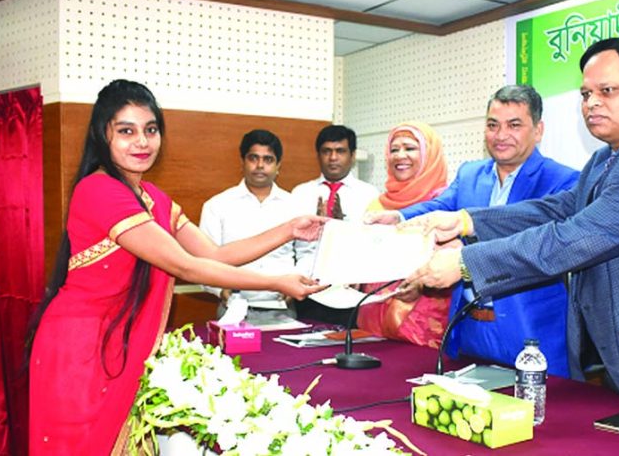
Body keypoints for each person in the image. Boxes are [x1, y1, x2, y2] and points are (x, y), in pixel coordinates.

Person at [404, 38, 619, 420]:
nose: (592, 103)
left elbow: (574, 237)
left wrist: (464, 262)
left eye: (608, 91)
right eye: (586, 93)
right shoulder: (609, 156)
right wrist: (466, 220)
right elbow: (558, 208)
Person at [25, 79, 326, 455]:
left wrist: (288, 229)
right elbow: (186, 267)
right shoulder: (97, 190)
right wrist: (278, 282)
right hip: (80, 351)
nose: (142, 142)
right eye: (126, 131)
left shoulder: (152, 198)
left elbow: (212, 255)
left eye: (150, 130)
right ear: (102, 135)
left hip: (118, 343)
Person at [367, 85, 579, 375]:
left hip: (530, 332)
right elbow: (440, 207)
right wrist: (398, 216)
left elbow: (540, 242)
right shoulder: (470, 173)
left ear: (538, 130)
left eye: (514, 125)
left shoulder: (563, 181)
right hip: (468, 327)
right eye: (493, 125)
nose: (501, 135)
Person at [355, 122, 450, 348]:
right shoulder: (378, 204)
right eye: (394, 149)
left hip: (424, 324)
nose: (400, 156)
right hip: (372, 323)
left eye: (410, 148)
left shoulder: (445, 202)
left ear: (429, 154)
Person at [199, 129, 298, 318]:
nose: (260, 165)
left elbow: (308, 254)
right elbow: (204, 261)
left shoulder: (295, 206)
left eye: (268, 159)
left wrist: (296, 283)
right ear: (243, 162)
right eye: (253, 158)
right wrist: (219, 290)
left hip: (283, 307)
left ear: (278, 166)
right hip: (234, 310)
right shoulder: (217, 206)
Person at [292, 124, 379, 324]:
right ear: (318, 155)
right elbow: (289, 247)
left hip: (351, 290)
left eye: (340, 151)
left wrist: (341, 227)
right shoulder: (300, 193)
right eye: (326, 151)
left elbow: (373, 246)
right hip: (308, 290)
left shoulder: (370, 195)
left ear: (353, 155)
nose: (333, 158)